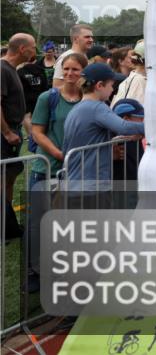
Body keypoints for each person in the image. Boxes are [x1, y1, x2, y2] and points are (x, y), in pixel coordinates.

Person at [26, 51, 86, 287]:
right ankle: (34, 271)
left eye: (75, 70)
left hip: (75, 172)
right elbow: (37, 132)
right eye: (66, 69)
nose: (70, 74)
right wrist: (58, 153)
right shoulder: (47, 98)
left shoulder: (88, 100)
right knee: (38, 221)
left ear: (83, 72)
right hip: (47, 169)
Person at [62, 63, 145, 190]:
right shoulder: (96, 107)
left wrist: (125, 138)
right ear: (99, 85)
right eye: (111, 85)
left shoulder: (77, 108)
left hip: (75, 180)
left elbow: (90, 138)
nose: (113, 90)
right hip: (91, 184)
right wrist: (153, 127)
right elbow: (124, 127)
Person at [1, 33, 36, 240]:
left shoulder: (11, 69)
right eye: (33, 47)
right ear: (22, 49)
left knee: (8, 180)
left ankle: (8, 225)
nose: (36, 50)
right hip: (5, 134)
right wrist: (6, 132)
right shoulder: (2, 69)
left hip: (11, 131)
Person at [111, 98, 145, 182]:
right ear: (126, 120)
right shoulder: (116, 142)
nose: (142, 121)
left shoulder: (136, 137)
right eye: (140, 118)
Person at [113, 41, 146, 105]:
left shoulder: (133, 78)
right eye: (130, 57)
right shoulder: (138, 80)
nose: (132, 59)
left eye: (133, 57)